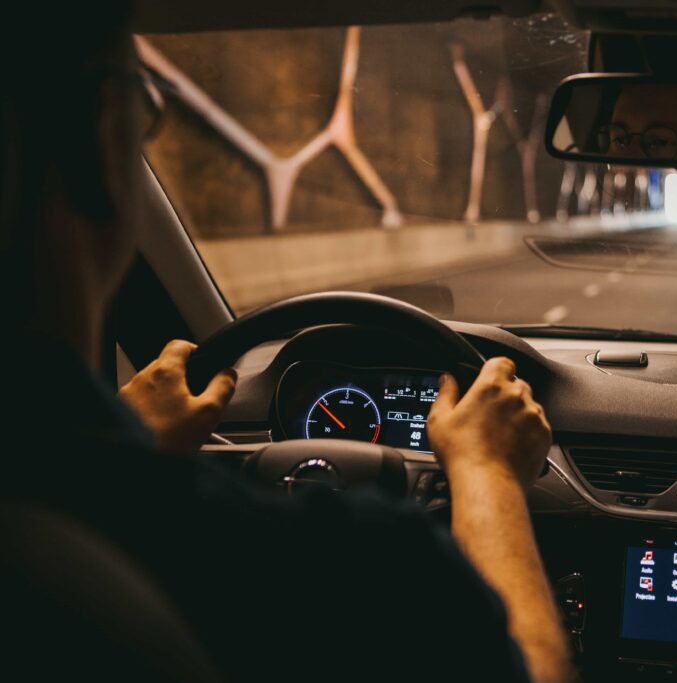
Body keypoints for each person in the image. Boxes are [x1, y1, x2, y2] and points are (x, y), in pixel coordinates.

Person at [0, 5, 571, 682]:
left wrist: (128, 447)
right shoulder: (363, 562)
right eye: (142, 102)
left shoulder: (61, 497)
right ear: (101, 137)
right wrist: (487, 471)